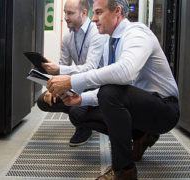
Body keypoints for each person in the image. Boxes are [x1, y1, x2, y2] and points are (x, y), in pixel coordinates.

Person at [46, 0, 180, 179]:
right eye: (93, 13)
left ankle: (124, 171)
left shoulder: (136, 33)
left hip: (165, 110)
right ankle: (141, 135)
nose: (93, 19)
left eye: (99, 13)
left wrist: (71, 81)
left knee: (109, 93)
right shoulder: (111, 42)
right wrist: (81, 99)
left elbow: (125, 73)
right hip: (139, 108)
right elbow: (115, 87)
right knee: (78, 112)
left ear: (117, 12)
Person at [38, 0, 107, 147]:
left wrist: (59, 70)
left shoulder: (97, 33)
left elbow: (90, 68)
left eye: (70, 13)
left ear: (83, 13)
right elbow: (63, 65)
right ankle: (83, 115)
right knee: (43, 101)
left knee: (77, 112)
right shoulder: (68, 37)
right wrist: (53, 88)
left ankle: (88, 122)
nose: (66, 17)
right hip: (79, 83)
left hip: (98, 85)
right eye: (65, 12)